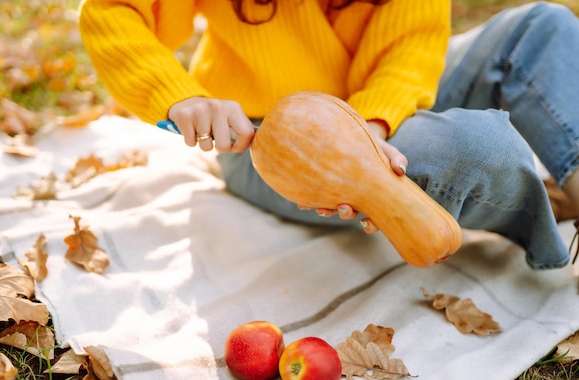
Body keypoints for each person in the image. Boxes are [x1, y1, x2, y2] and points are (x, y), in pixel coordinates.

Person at [78, 0, 579, 270]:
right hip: (269, 140)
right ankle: (536, 212)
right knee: (480, 150)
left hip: (379, 107)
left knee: (543, 25)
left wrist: (365, 131)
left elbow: (410, 53)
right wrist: (178, 94)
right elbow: (112, 10)